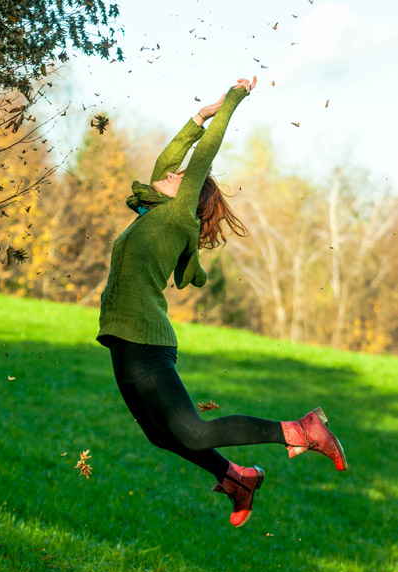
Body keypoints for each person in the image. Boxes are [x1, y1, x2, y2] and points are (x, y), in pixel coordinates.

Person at [96, 76, 347, 527]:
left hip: (144, 342)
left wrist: (231, 101)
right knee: (162, 435)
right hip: (126, 339)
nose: (170, 175)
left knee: (193, 431)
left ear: (190, 197)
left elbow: (200, 157)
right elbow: (167, 162)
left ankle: (300, 430)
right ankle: (237, 479)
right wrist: (197, 117)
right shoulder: (152, 212)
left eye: (179, 177)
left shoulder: (174, 216)